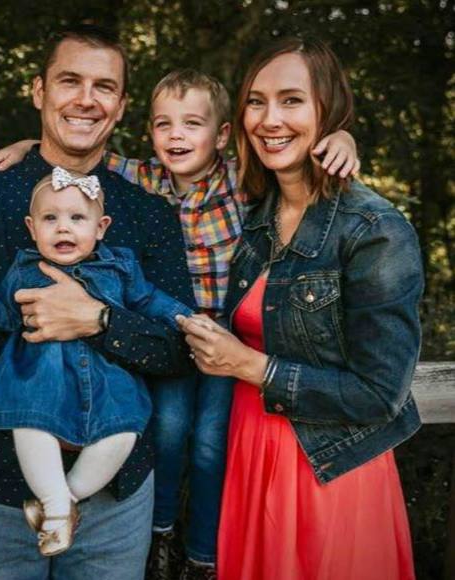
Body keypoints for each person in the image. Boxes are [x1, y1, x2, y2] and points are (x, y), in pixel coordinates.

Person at [0, 69, 359, 579]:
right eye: (164, 124)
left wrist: (341, 138)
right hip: (169, 332)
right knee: (168, 429)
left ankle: (202, 555)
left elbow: (296, 165)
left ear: (221, 135)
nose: (176, 135)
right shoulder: (147, 177)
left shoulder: (241, 179)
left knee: (209, 444)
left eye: (192, 124)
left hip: (225, 336)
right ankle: (158, 533)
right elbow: (79, 156)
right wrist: (30, 145)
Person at [0, 24, 196, 580]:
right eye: (70, 81)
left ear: (121, 106)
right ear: (40, 91)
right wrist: (30, 409)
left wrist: (100, 320)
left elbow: (179, 348)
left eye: (104, 87)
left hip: (115, 498)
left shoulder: (149, 214)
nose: (86, 99)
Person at [176, 37, 423, 580]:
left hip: (327, 468)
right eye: (256, 101)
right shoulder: (251, 212)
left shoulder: (375, 230)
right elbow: (150, 168)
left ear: (327, 109)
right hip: (247, 454)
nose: (270, 119)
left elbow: (381, 393)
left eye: (291, 100)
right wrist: (39, 149)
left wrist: (249, 365)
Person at [0, 168, 193, 557]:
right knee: (29, 425)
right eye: (50, 218)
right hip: (39, 378)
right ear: (32, 228)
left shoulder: (120, 266)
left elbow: (150, 300)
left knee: (124, 431)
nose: (63, 228)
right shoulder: (24, 270)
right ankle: (53, 504)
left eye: (77, 218)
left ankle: (66, 499)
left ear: (101, 228)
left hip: (108, 382)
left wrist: (183, 316)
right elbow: (8, 315)